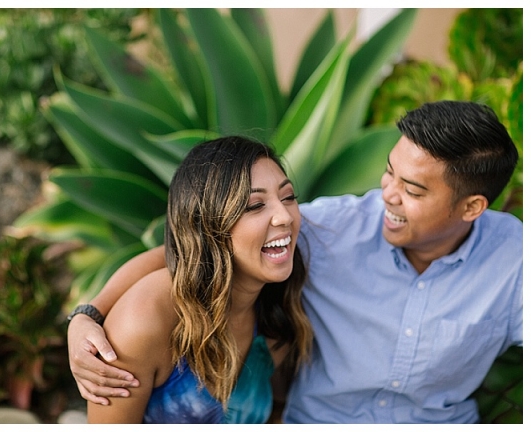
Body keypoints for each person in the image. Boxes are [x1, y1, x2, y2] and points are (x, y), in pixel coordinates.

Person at [67, 100, 522, 423]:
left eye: (413, 190)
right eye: (389, 171)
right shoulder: (335, 227)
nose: (388, 193)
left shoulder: (513, 260)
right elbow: (185, 249)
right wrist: (87, 316)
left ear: (471, 208)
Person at [75, 135, 313, 423]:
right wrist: (86, 314)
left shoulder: (276, 310)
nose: (284, 216)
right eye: (254, 205)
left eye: (288, 197)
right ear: (208, 226)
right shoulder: (145, 321)